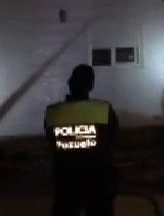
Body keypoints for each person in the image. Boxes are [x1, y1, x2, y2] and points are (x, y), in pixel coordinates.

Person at [44, 64, 119, 216]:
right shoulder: (103, 109)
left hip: (65, 181)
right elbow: (112, 139)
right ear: (91, 85)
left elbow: (51, 142)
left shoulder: (53, 112)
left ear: (69, 83)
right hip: (97, 180)